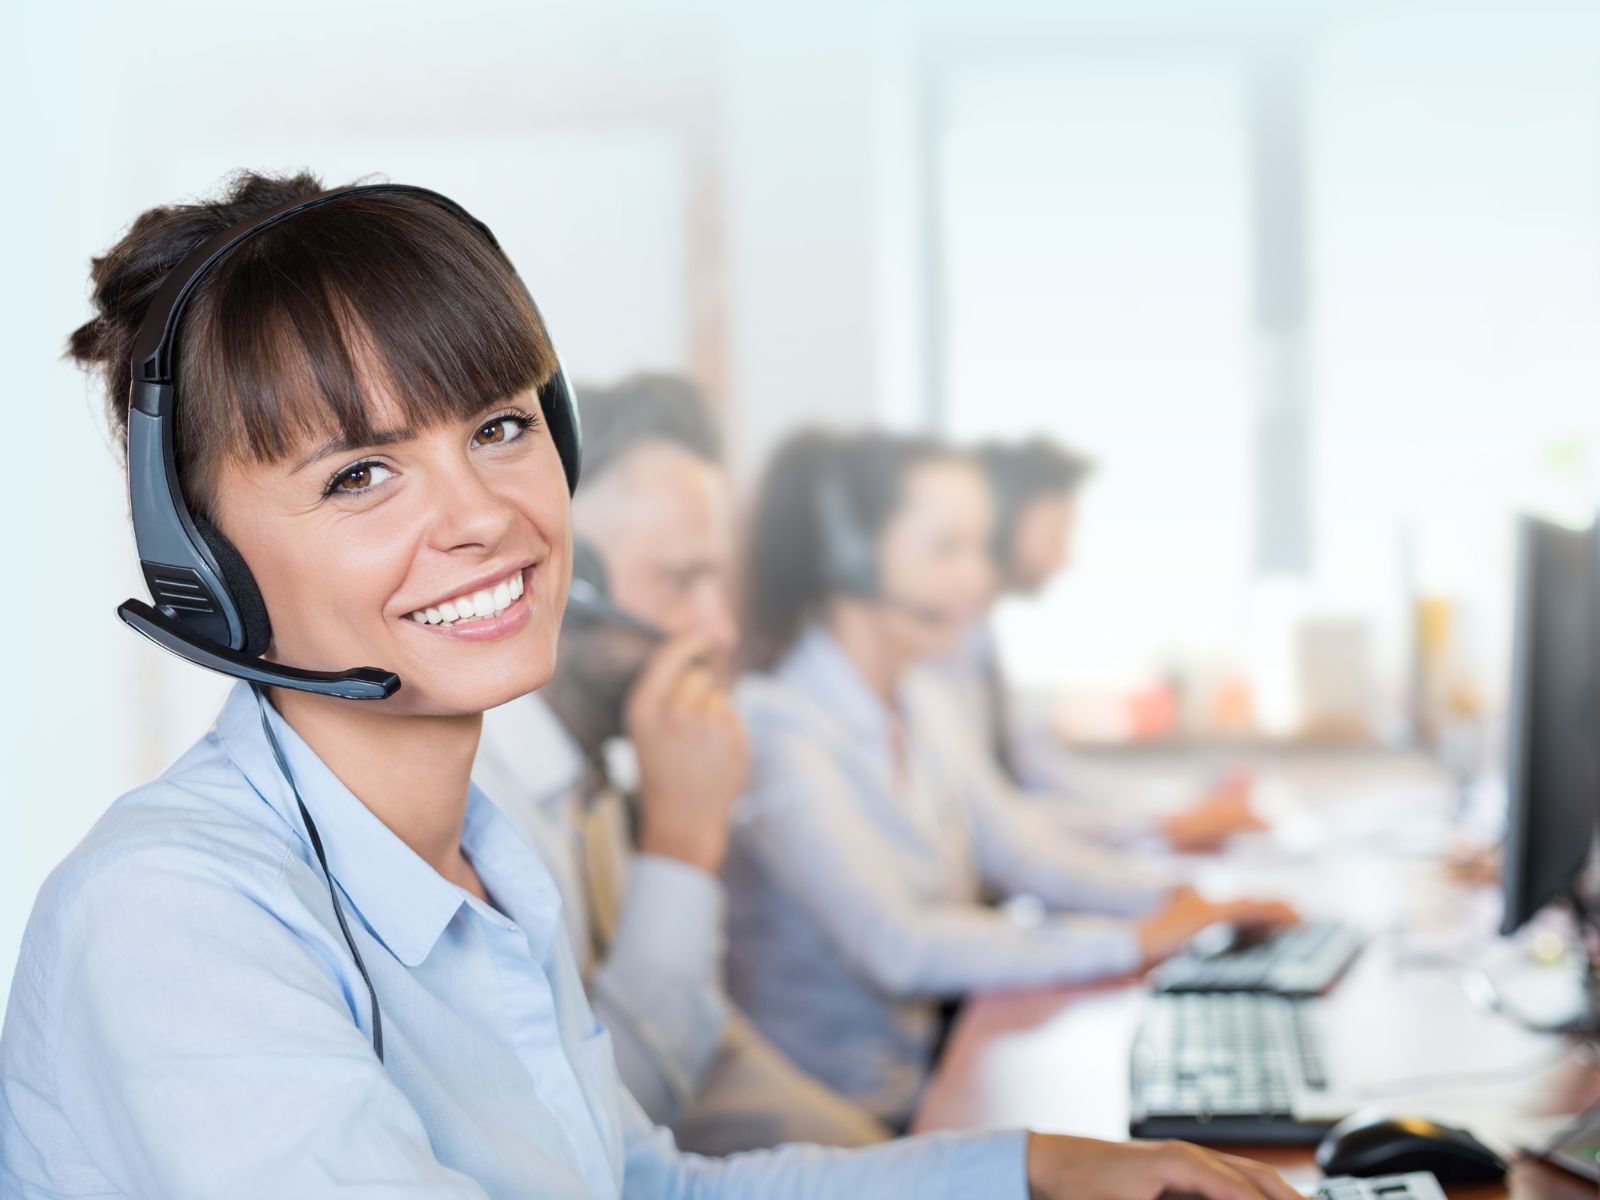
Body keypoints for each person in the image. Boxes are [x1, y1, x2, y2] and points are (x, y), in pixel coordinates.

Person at [0, 171, 1301, 1200]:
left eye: (501, 428)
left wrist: (1035, 1167)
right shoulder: (173, 918)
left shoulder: (485, 861)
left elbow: (639, 1182)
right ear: (202, 565)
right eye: (361, 474)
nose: (484, 517)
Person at [727, 430, 1297, 1130]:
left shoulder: (923, 698)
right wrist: (1132, 941)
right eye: (946, 550)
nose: (976, 577)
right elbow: (898, 946)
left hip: (927, 1076)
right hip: (841, 1119)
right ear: (851, 558)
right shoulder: (778, 727)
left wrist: (1177, 901)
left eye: (977, 546)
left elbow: (1022, 850)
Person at [474, 374, 890, 1153]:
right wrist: (685, 842)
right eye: (682, 581)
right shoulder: (478, 811)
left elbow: (704, 1051)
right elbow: (609, 1124)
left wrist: (924, 1165)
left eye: (720, 582)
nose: (720, 629)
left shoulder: (603, 779)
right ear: (570, 579)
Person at [960, 436, 1266, 852]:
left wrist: (1174, 812)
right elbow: (997, 816)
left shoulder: (978, 637)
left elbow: (1039, 774)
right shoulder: (942, 651)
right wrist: (1163, 824)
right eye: (1055, 534)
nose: (1065, 557)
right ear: (999, 524)